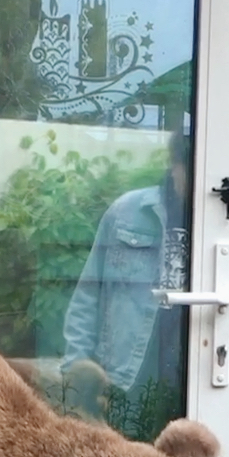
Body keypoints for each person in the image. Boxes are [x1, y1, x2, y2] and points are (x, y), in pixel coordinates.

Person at [61, 130, 190, 428]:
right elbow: (87, 298)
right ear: (174, 166)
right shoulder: (126, 213)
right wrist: (75, 379)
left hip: (188, 382)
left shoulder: (214, 224)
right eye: (187, 169)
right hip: (124, 380)